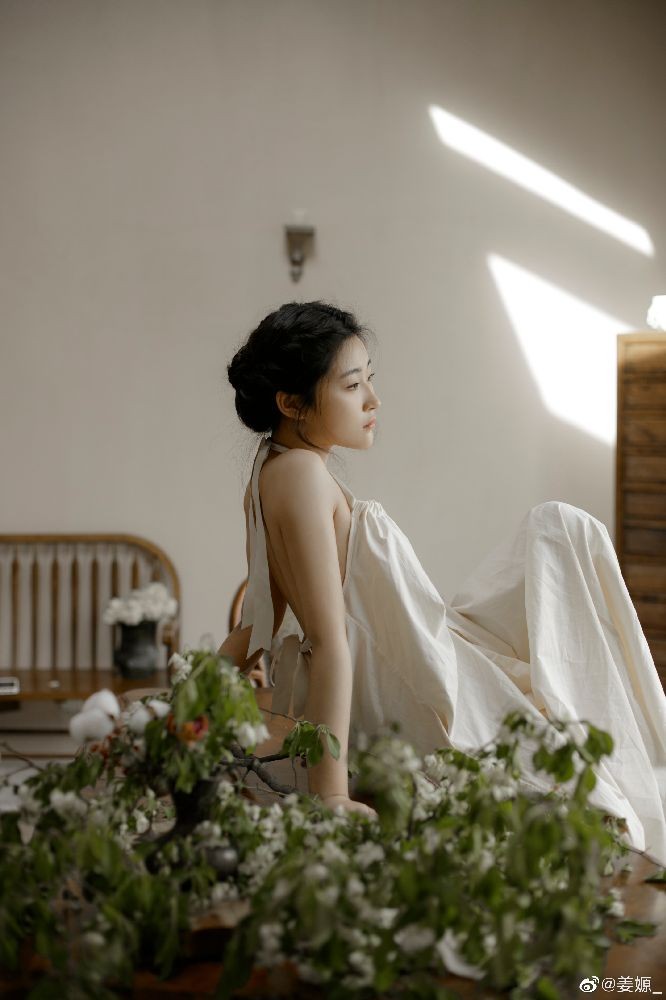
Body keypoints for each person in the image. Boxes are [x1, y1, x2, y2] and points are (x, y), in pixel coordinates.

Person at [220, 300, 666, 865]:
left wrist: (185, 705)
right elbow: (328, 642)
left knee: (556, 531)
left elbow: (260, 619)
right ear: (291, 403)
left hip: (414, 653)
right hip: (407, 681)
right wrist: (331, 794)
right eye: (352, 386)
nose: (373, 400)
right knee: (560, 532)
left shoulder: (273, 469)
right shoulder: (304, 476)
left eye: (370, 380)